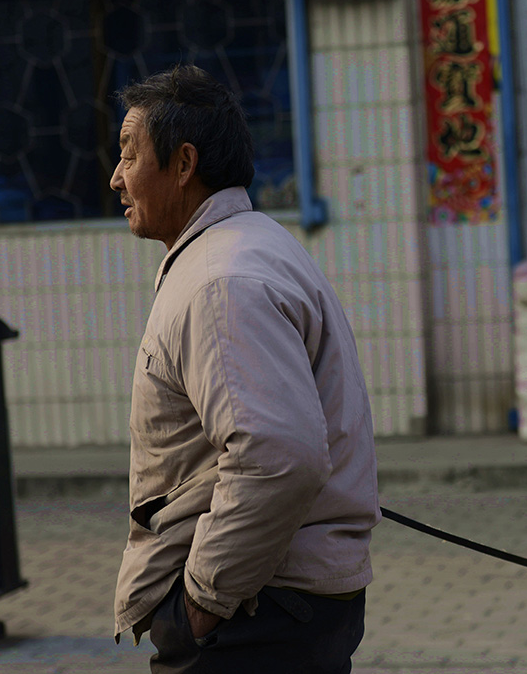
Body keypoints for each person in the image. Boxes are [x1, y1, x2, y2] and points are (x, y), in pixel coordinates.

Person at [109, 65, 380, 673]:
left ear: (183, 164)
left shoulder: (221, 281)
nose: (115, 178)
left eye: (129, 156)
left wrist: (202, 600)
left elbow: (278, 454)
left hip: (257, 611)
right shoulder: (248, 245)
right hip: (279, 601)